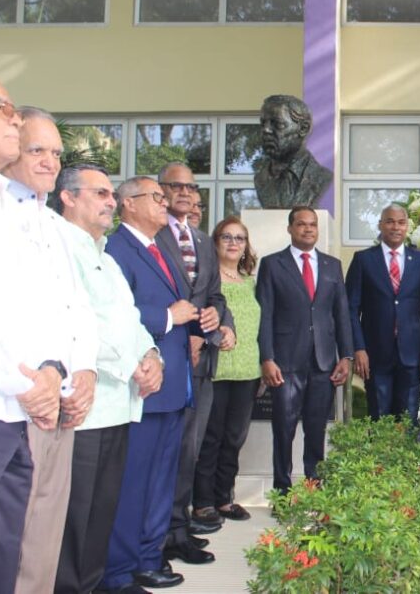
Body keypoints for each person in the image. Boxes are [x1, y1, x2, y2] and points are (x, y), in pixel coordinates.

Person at [0, 109, 100, 594]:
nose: (49, 161)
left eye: (56, 153)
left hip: (62, 399)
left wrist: (85, 372)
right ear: (10, 150)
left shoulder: (55, 226)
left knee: (46, 531)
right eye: (37, 150)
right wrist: (36, 379)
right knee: (11, 537)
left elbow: (77, 306)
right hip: (20, 398)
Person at [53, 165, 164, 594]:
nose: (110, 202)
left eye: (111, 194)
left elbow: (129, 320)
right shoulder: (59, 247)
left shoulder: (106, 256)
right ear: (68, 197)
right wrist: (130, 363)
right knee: (74, 514)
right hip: (83, 407)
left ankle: (96, 584)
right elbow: (77, 323)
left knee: (102, 509)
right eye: (100, 193)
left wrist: (151, 356)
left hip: (119, 404)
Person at [0, 77, 66, 594]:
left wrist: (52, 372)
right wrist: (28, 385)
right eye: (1, 107)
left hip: (12, 411)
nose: (14, 118)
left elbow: (29, 306)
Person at [102, 176, 199, 592]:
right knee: (134, 483)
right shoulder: (116, 249)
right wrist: (168, 317)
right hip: (142, 387)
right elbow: (113, 311)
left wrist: (200, 320)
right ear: (128, 203)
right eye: (156, 196)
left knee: (161, 481)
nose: (166, 202)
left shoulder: (161, 248)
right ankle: (120, 571)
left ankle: (148, 556)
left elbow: (182, 304)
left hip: (173, 386)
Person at [156, 162, 231, 563]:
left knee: (189, 453)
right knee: (162, 455)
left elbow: (214, 295)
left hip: (201, 365)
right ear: (161, 191)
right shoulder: (152, 235)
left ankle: (177, 530)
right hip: (163, 363)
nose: (185, 192)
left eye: (191, 187)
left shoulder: (202, 240)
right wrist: (185, 335)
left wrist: (214, 322)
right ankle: (155, 537)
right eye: (176, 186)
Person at [256, 206, 352, 494]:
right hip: (285, 361)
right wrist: (267, 357)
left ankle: (314, 488)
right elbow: (265, 314)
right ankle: (282, 491)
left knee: (316, 428)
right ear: (290, 228)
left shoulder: (332, 265)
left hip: (323, 361)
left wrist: (346, 356)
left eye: (312, 225)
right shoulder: (272, 264)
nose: (308, 229)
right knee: (283, 428)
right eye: (301, 224)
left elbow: (341, 314)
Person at [193, 216, 261, 522]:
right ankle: (203, 502)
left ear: (246, 246)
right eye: (227, 237)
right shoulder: (207, 281)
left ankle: (224, 499)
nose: (234, 243)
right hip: (216, 371)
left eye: (239, 238)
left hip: (247, 372)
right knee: (211, 439)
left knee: (234, 439)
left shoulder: (251, 283)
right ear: (215, 242)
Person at [346, 203, 420, 424]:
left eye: (401, 222)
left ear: (407, 227)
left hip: (412, 356)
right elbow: (350, 309)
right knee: (379, 419)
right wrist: (358, 348)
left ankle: (407, 449)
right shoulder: (363, 260)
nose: (395, 227)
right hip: (375, 355)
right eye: (390, 222)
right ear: (380, 225)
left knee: (408, 420)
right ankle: (381, 450)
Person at [253, 94, 333, 208]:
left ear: (303, 128)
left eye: (278, 124)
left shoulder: (322, 178)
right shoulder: (261, 179)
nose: (266, 130)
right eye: (263, 124)